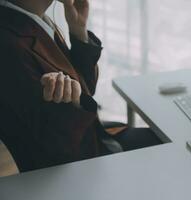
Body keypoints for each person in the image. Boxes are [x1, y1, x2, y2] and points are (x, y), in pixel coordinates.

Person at [0, 0, 162, 172]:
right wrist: (73, 101)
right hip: (78, 166)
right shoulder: (10, 46)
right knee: (168, 147)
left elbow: (87, 89)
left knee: (164, 140)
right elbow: (56, 147)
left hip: (92, 139)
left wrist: (78, 31)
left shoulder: (35, 22)